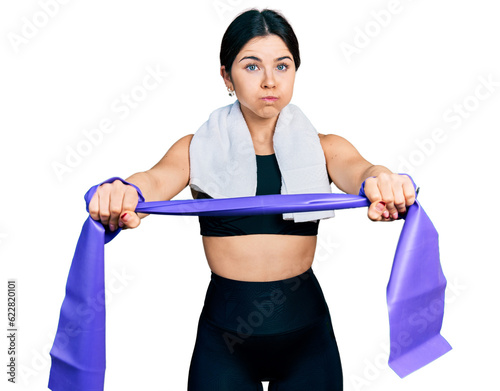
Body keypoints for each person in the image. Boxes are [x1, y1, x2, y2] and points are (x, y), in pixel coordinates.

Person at [88, 8, 415, 391]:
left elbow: (362, 172)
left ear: (295, 72)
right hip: (225, 340)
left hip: (306, 337)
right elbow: (153, 180)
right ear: (227, 76)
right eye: (252, 67)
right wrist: (122, 190)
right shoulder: (195, 149)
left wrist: (383, 182)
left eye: (283, 65)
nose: (270, 81)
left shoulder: (326, 148)